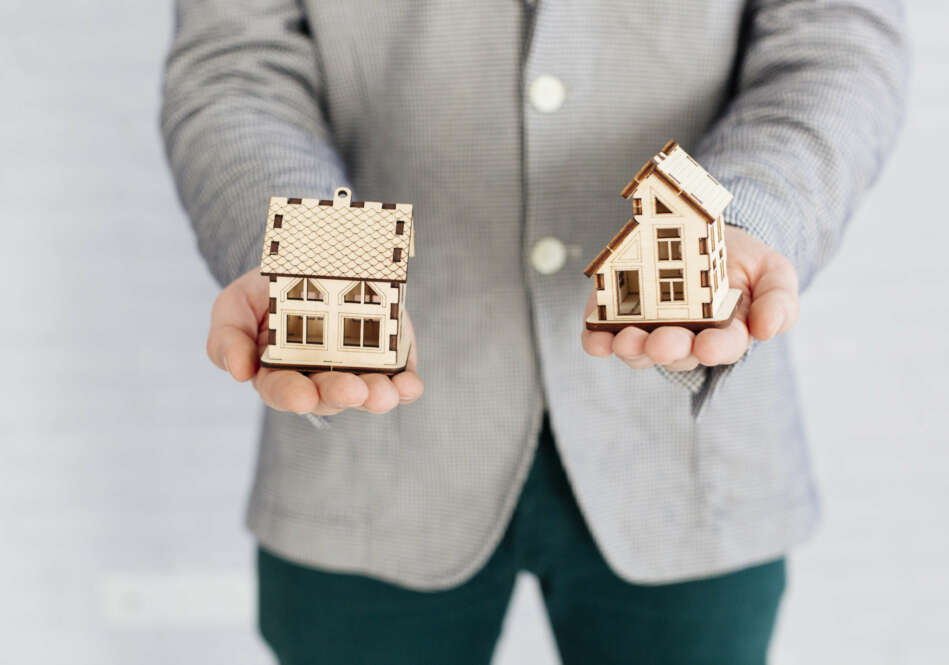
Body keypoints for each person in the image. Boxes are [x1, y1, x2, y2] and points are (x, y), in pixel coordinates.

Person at [161, 1, 907, 662]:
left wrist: (732, 218)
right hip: (362, 441)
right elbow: (239, 65)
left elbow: (834, 41)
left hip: (688, 447)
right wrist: (314, 266)